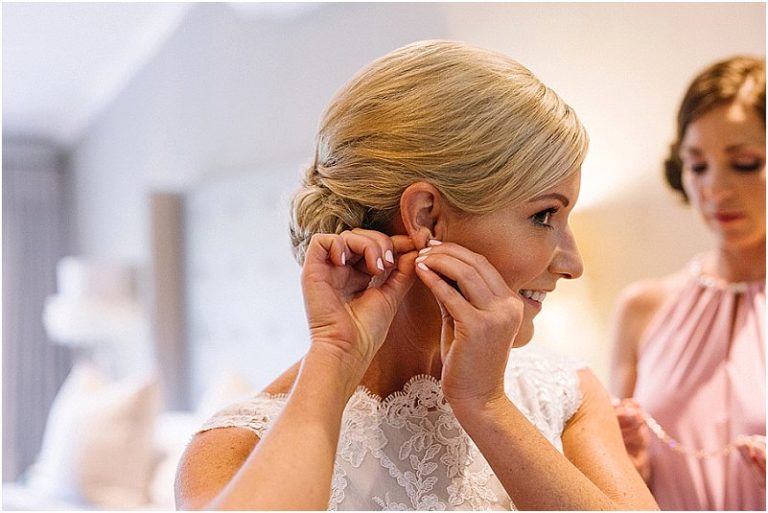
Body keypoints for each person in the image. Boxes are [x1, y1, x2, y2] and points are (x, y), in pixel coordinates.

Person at [174, 40, 658, 510]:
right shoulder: (233, 450)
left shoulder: (565, 394)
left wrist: (487, 406)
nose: (572, 264)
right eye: (544, 215)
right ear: (426, 217)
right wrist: (334, 354)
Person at [610, 56, 766, 510]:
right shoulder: (642, 309)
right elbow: (617, 483)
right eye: (697, 166)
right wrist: (629, 467)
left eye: (744, 163)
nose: (715, 189)